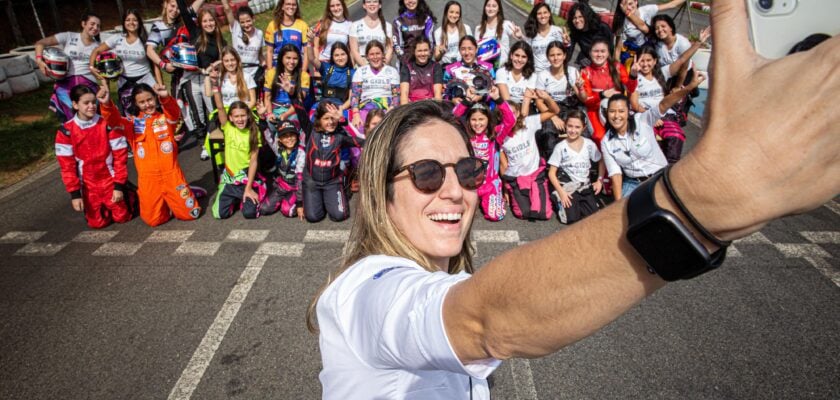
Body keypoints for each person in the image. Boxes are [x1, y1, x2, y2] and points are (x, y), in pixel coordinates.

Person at [307, 2, 840, 397]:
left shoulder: (431, 277)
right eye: (425, 173)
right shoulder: (361, 294)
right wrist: (702, 203)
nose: (454, 189)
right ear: (380, 189)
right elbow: (485, 320)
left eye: (466, 169)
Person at [100, 83, 201, 226]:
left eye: (149, 100)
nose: (147, 104)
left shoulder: (165, 119)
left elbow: (174, 112)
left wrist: (165, 96)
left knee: (191, 214)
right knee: (153, 221)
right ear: (136, 104)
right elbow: (113, 120)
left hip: (171, 175)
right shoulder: (132, 123)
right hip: (148, 179)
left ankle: (182, 193)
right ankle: (169, 202)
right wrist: (106, 105)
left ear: (155, 98)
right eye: (142, 102)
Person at [602, 72, 704, 199]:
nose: (617, 116)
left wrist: (689, 87)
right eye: (612, 111)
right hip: (633, 183)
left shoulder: (642, 120)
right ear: (607, 114)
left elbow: (663, 105)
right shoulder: (606, 141)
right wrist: (617, 203)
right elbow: (615, 174)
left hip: (659, 177)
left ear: (628, 112)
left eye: (621, 111)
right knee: (625, 214)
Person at [55, 85, 132, 229]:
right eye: (86, 103)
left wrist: (118, 186)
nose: (91, 106)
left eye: (93, 102)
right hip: (88, 185)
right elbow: (67, 167)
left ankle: (130, 194)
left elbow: (120, 158)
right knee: (97, 224)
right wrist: (75, 195)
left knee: (123, 217)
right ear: (75, 104)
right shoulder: (65, 131)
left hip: (110, 180)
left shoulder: (108, 124)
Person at [296, 102, 365, 222]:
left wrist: (343, 120)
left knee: (340, 216)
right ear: (319, 119)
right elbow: (300, 110)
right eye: (326, 118)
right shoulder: (310, 131)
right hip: (312, 182)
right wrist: (292, 95)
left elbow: (362, 140)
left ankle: (335, 192)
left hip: (332, 182)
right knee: (313, 217)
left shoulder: (340, 137)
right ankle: (319, 199)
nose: (330, 122)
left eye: (333, 118)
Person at [175, 0, 226, 160]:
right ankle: (203, 144)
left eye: (211, 20)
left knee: (212, 112)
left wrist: (215, 65)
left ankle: (213, 140)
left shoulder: (219, 39)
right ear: (200, 23)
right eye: (205, 21)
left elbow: (226, 58)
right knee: (197, 113)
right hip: (193, 78)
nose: (209, 24)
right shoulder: (196, 33)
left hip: (210, 79)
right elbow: (184, 12)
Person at [209, 94, 274, 219]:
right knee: (219, 214)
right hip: (230, 179)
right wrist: (215, 86)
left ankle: (258, 188)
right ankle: (234, 199)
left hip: (246, 178)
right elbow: (220, 107)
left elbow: (253, 162)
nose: (240, 119)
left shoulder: (253, 132)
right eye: (236, 116)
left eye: (243, 115)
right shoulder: (227, 128)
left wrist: (248, 188)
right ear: (231, 118)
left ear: (248, 115)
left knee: (249, 214)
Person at [453, 86, 514, 221]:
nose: (477, 124)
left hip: (490, 183)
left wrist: (498, 99)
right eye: (474, 120)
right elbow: (451, 118)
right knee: (458, 216)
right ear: (468, 121)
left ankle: (488, 198)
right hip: (468, 184)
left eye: (481, 119)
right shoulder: (465, 134)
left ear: (488, 120)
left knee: (496, 216)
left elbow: (511, 120)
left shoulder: (495, 134)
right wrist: (467, 100)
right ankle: (475, 201)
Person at [498, 92, 559, 220]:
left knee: (544, 214)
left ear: (518, 113)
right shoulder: (500, 133)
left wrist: (547, 97)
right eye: (506, 114)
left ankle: (539, 191)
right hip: (516, 178)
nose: (510, 117)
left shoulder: (529, 123)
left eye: (513, 113)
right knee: (522, 213)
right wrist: (505, 188)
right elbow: (503, 163)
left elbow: (555, 110)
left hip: (535, 174)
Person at [35, 12, 101, 123]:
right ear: (83, 24)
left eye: (98, 26)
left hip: (88, 85)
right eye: (92, 24)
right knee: (70, 119)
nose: (95, 28)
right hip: (66, 86)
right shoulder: (68, 36)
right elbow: (40, 43)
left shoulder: (98, 46)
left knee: (91, 117)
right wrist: (39, 60)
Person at [90, 9, 154, 115]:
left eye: (134, 20)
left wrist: (159, 82)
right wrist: (92, 68)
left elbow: (154, 62)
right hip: (124, 82)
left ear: (139, 22)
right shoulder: (117, 38)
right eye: (128, 20)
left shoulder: (145, 39)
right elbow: (97, 51)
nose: (131, 23)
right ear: (124, 23)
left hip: (145, 80)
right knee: (129, 114)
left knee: (151, 110)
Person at [547, 109, 604, 224]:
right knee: (571, 219)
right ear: (565, 125)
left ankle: (582, 203)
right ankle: (557, 197)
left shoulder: (589, 144)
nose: (573, 130)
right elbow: (551, 173)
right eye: (570, 126)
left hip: (584, 186)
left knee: (593, 217)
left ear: (584, 128)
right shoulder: (560, 147)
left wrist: (599, 180)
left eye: (577, 127)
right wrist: (562, 193)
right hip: (568, 187)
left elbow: (601, 161)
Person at [580, 38, 637, 146]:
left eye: (603, 51)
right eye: (596, 51)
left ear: (608, 53)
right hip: (594, 111)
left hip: (617, 109)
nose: (599, 54)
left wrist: (633, 75)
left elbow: (631, 89)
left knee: (626, 134)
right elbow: (586, 100)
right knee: (600, 137)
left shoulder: (617, 67)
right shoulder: (586, 72)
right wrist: (602, 95)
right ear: (590, 53)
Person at [612, 0, 685, 69]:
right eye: (625, 5)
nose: (628, 8)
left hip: (653, 45)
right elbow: (618, 48)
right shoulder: (621, 22)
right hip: (636, 51)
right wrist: (616, 67)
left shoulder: (646, 10)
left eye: (630, 4)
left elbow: (671, 5)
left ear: (636, 2)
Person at [349, 40, 400, 131]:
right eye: (372, 54)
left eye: (378, 53)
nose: (375, 57)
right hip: (366, 109)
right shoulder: (360, 72)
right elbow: (355, 95)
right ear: (367, 56)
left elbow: (396, 96)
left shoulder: (392, 71)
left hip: (386, 109)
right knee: (360, 129)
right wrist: (356, 114)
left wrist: (391, 110)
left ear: (383, 55)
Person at [221, 0, 266, 91]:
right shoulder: (236, 29)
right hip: (238, 72)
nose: (246, 24)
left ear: (253, 19)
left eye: (248, 21)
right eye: (242, 22)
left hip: (254, 73)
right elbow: (227, 9)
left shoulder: (259, 33)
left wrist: (266, 66)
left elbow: (260, 54)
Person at [305, 34, 354, 114]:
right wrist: (310, 42)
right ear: (332, 57)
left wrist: (340, 109)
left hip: (341, 108)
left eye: (343, 54)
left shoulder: (352, 73)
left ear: (347, 55)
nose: (340, 58)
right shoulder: (326, 68)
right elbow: (311, 58)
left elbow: (351, 99)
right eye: (336, 55)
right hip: (323, 107)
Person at [264, 44, 310, 128]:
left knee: (289, 126)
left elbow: (300, 101)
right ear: (281, 58)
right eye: (288, 58)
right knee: (269, 123)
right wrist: (270, 113)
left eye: (295, 58)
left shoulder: (304, 76)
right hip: (274, 109)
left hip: (293, 111)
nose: (291, 62)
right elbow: (267, 97)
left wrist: (285, 114)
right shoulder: (272, 73)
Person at [443, 36, 495, 104]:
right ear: (459, 50)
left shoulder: (488, 68)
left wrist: (481, 97)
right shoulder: (450, 70)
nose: (467, 53)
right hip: (460, 109)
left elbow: (494, 92)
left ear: (476, 49)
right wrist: (452, 100)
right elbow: (444, 93)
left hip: (482, 109)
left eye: (470, 49)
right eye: (463, 49)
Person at [522, 2, 568, 73]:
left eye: (545, 12)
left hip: (554, 72)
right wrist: (521, 37)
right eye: (539, 13)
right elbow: (525, 52)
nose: (542, 16)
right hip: (536, 73)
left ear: (549, 14)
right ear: (535, 16)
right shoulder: (531, 34)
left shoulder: (558, 31)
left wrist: (567, 44)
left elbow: (563, 53)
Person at [474, 0, 521, 68]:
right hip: (484, 69)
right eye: (488, 6)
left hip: (502, 68)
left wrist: (520, 36)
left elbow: (520, 39)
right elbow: (476, 50)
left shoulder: (506, 24)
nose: (490, 9)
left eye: (494, 6)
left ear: (499, 9)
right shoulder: (478, 29)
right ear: (485, 8)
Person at [265, 0, 309, 71]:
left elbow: (307, 52)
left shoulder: (303, 25)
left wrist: (303, 72)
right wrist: (269, 71)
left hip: (295, 67)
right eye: (288, 4)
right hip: (277, 68)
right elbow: (269, 51)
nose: (291, 7)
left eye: (294, 5)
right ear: (282, 6)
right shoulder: (273, 25)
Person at [566, 1, 613, 67]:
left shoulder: (603, 28)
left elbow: (611, 51)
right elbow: (568, 56)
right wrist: (566, 44)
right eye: (574, 18)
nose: (577, 20)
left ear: (587, 16)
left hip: (603, 64)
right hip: (587, 65)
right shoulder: (575, 32)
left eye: (580, 17)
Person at [348, 0, 393, 67]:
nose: (372, 4)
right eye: (368, 2)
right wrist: (365, 66)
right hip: (362, 65)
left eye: (375, 1)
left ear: (380, 5)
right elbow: (354, 50)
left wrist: (383, 66)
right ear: (364, 5)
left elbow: (390, 49)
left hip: (382, 65)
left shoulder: (388, 26)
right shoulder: (355, 26)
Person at [400, 36, 444, 104]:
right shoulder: (407, 67)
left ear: (429, 51)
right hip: (412, 106)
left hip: (430, 105)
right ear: (414, 52)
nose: (423, 54)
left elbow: (437, 94)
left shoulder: (436, 67)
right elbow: (404, 94)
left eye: (425, 50)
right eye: (419, 51)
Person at [433, 1, 471, 66]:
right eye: (451, 12)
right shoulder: (438, 32)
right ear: (446, 13)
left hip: (463, 65)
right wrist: (441, 52)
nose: (454, 15)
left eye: (457, 13)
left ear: (460, 15)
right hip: (446, 66)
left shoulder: (466, 28)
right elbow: (437, 58)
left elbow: (472, 49)